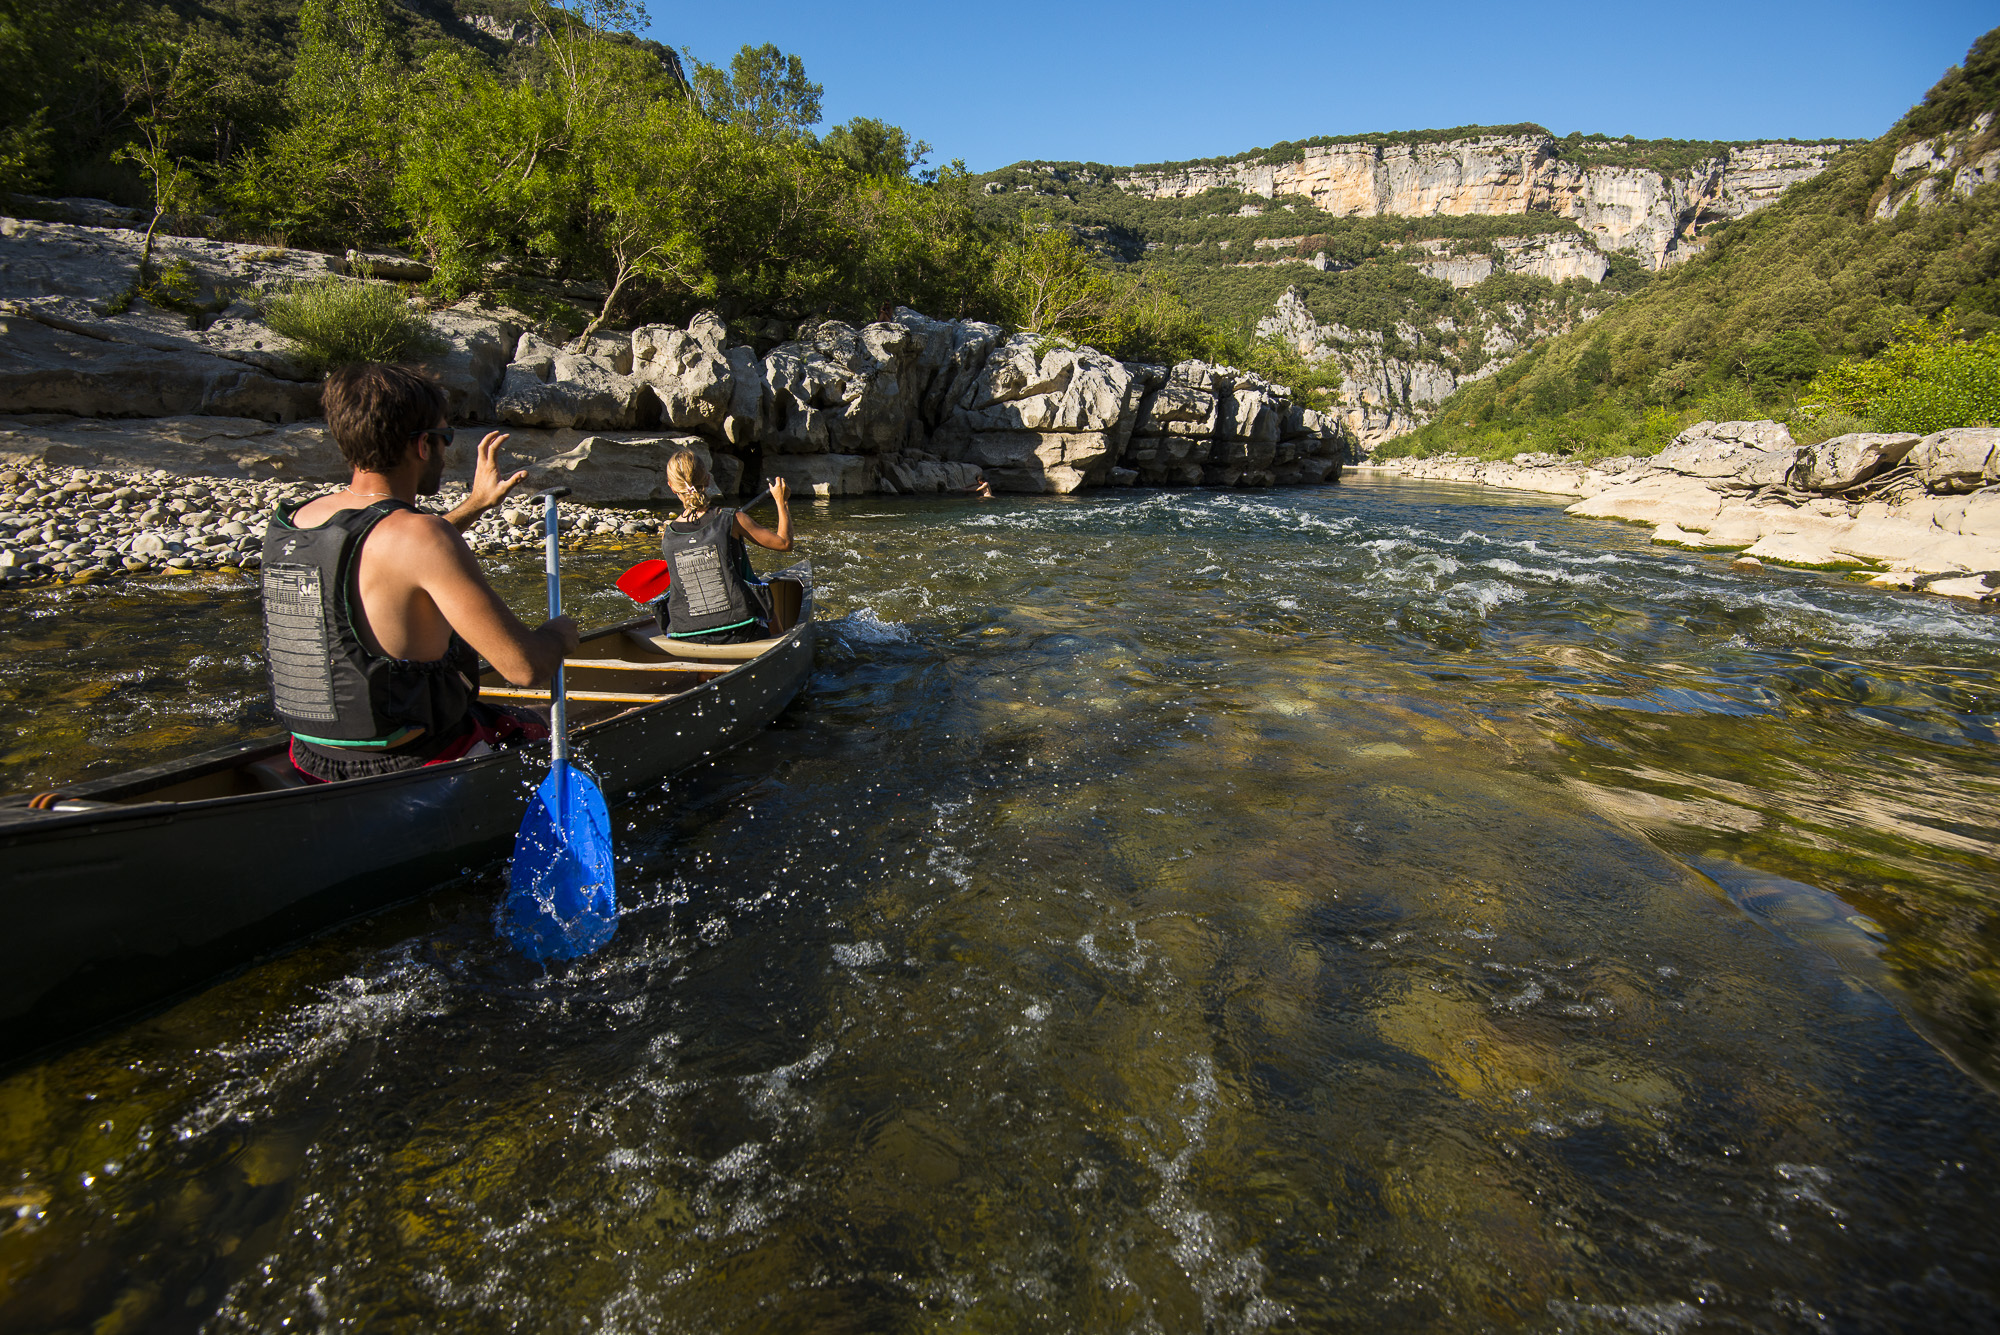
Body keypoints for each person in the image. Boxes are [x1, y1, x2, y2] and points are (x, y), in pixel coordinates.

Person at [261, 362, 579, 783]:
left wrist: (476, 505)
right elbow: (524, 668)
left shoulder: (298, 520)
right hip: (416, 759)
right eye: (445, 437)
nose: (446, 451)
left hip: (312, 754)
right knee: (552, 723)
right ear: (424, 445)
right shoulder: (422, 538)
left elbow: (386, 554)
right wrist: (559, 635)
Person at [657, 450, 792, 645]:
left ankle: (704, 672)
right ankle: (780, 647)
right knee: (765, 600)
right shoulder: (733, 519)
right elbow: (784, 543)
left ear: (671, 487)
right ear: (708, 480)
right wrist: (782, 501)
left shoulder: (668, 534)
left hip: (688, 636)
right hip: (741, 630)